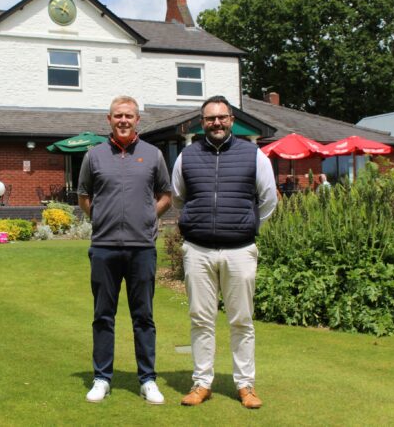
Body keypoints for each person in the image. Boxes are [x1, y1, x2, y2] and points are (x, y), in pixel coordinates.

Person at [171, 95, 277, 409]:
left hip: (240, 250)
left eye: (221, 117)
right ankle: (202, 383)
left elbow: (268, 199)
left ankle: (245, 385)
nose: (216, 123)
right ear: (201, 122)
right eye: (210, 118)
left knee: (241, 321)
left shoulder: (254, 155)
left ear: (231, 120)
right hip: (198, 250)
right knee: (201, 320)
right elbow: (178, 198)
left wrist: (248, 224)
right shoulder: (187, 156)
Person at [77, 95, 172, 404]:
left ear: (137, 120)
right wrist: (101, 219)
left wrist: (147, 218)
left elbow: (166, 195)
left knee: (143, 316)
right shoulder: (93, 156)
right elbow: (84, 196)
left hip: (141, 248)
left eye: (128, 116)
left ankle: (147, 380)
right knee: (103, 316)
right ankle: (102, 378)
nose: (123, 120)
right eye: (118, 115)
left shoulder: (153, 154)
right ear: (109, 119)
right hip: (104, 248)